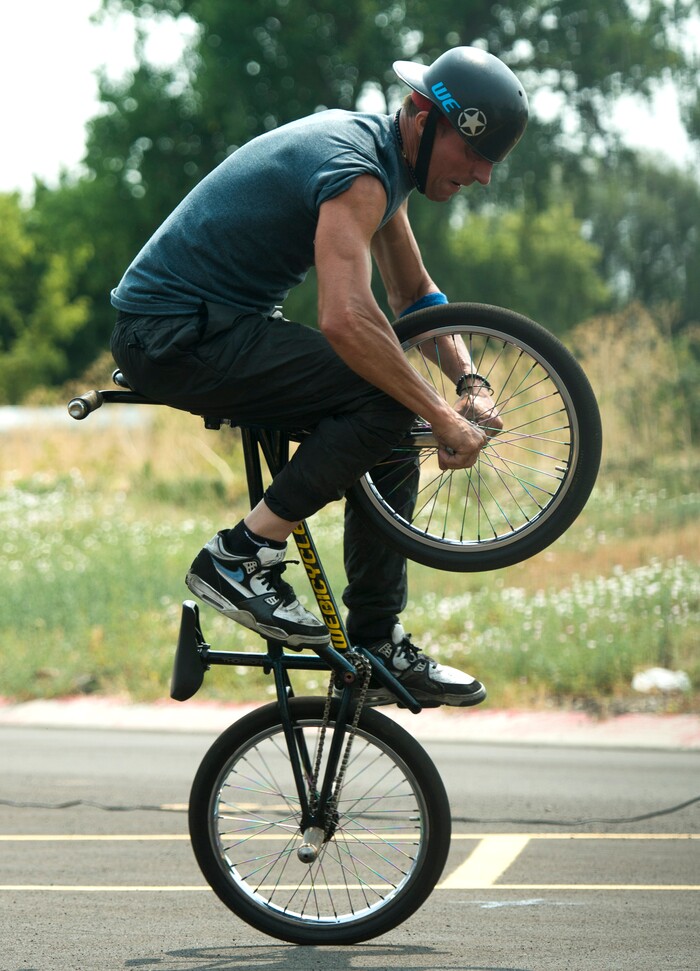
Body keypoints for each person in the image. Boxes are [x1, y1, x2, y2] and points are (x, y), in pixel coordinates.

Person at [110, 46, 528, 708]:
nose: (481, 175)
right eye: (473, 154)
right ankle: (239, 556)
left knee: (397, 419)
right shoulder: (359, 172)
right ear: (422, 118)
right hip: (172, 332)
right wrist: (442, 417)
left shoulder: (382, 166)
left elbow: (413, 294)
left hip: (208, 326)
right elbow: (344, 318)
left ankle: (373, 642)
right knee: (388, 400)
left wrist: (467, 382)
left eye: (492, 162)